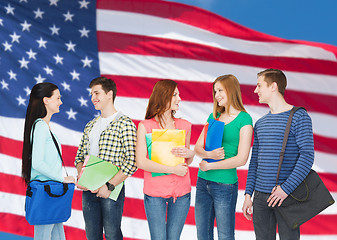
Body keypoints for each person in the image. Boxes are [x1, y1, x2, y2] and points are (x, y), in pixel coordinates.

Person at [242, 69, 314, 240]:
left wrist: (285, 189)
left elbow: (307, 156)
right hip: (260, 198)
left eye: (259, 85)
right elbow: (255, 162)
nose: (255, 90)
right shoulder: (260, 124)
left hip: (287, 197)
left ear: (273, 86)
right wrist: (247, 194)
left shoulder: (299, 117)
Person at [74, 77, 137, 240]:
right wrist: (83, 178)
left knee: (112, 234)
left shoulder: (125, 123)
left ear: (109, 94)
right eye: (91, 94)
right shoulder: (90, 125)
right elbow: (79, 156)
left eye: (96, 93)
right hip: (89, 191)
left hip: (111, 190)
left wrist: (108, 186)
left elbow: (132, 161)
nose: (92, 98)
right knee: (92, 235)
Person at [194, 74, 253, 240]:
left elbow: (242, 159)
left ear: (231, 90)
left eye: (220, 90)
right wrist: (208, 155)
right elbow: (198, 147)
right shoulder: (214, 116)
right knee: (203, 235)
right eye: (215, 91)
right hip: (202, 182)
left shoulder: (244, 119)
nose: (216, 95)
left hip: (225, 186)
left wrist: (211, 165)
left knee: (225, 235)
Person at [135, 79, 195, 240]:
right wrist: (172, 170)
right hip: (155, 193)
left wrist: (191, 154)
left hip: (182, 192)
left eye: (179, 94)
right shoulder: (145, 126)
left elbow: (186, 161)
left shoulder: (185, 125)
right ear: (164, 96)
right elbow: (141, 162)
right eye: (175, 95)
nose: (179, 99)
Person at [22, 82, 75, 240]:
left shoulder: (44, 126)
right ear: (46, 100)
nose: (61, 101)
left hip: (51, 193)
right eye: (58, 98)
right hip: (47, 192)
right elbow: (37, 163)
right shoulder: (40, 127)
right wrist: (62, 178)